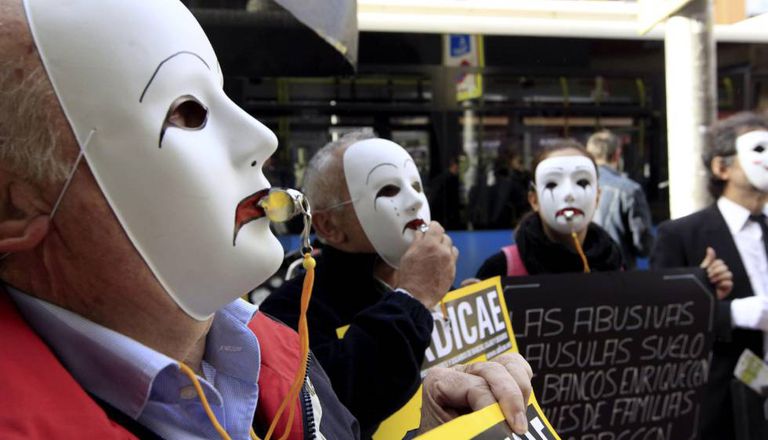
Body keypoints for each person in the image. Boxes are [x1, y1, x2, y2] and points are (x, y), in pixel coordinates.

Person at [0, 1, 533, 439]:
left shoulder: (271, 352)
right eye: (186, 111)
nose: (262, 137)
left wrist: (431, 428)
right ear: (15, 206)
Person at [261, 132, 457, 438]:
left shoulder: (437, 287)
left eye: (416, 186)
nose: (415, 199)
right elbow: (338, 405)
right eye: (389, 189)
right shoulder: (289, 312)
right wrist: (413, 299)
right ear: (329, 226)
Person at [651, 111, 768, 440]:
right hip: (722, 405)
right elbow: (663, 318)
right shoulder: (681, 236)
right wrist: (733, 313)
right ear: (722, 167)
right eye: (759, 150)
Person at [475, 140, 731, 288]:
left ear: (598, 195)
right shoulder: (500, 268)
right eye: (552, 184)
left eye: (582, 183)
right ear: (534, 199)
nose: (569, 195)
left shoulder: (610, 259)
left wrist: (699, 287)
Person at [586, 130, 654, 269]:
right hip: (619, 274)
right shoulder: (629, 190)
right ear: (617, 154)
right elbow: (643, 245)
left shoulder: (576, 187)